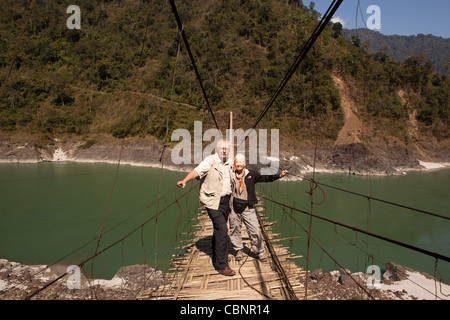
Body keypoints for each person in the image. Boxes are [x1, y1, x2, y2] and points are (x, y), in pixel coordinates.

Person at [176, 140, 235, 276]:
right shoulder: (209, 161)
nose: (224, 150)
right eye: (222, 148)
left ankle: (217, 253)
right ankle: (222, 264)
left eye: (226, 148)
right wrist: (184, 181)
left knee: (219, 229)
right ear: (217, 149)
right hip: (212, 201)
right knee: (222, 229)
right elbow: (197, 171)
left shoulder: (230, 162)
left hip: (226, 201)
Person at [229, 154, 287, 262]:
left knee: (254, 230)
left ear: (245, 164)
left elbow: (265, 177)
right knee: (234, 229)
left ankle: (260, 252)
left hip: (248, 208)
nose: (239, 164)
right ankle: (238, 250)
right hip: (234, 208)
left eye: (241, 162)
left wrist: (279, 175)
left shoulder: (251, 174)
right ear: (234, 164)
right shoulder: (230, 175)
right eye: (237, 162)